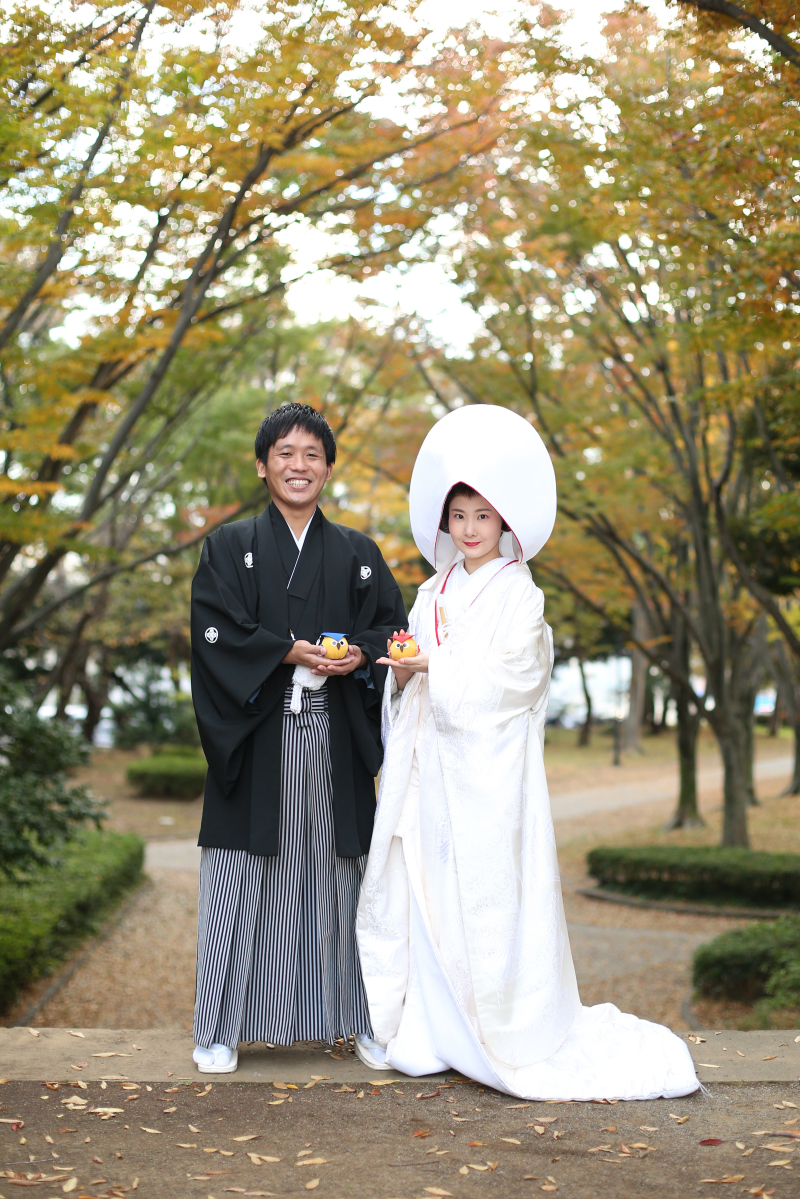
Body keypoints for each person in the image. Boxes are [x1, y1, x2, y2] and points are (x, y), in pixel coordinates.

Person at [356, 404, 699, 1101]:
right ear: (445, 523)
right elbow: (411, 673)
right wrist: (403, 671)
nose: (472, 528)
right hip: (429, 771)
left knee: (483, 901)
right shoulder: (431, 591)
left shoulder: (522, 595)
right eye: (460, 515)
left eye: (484, 515)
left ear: (504, 521)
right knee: (424, 887)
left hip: (486, 776)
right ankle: (426, 1030)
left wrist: (435, 670)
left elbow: (518, 682)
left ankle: (493, 1032)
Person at [190, 403, 406, 1073]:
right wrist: (289, 653)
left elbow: (394, 633)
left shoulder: (358, 553)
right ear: (263, 466)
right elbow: (213, 633)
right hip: (257, 737)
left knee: (343, 878)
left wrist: (358, 656)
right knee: (242, 877)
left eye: (312, 453)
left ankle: (358, 1020)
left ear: (328, 467)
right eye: (285, 452)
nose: (299, 464)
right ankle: (219, 1029)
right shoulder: (228, 546)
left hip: (334, 739)